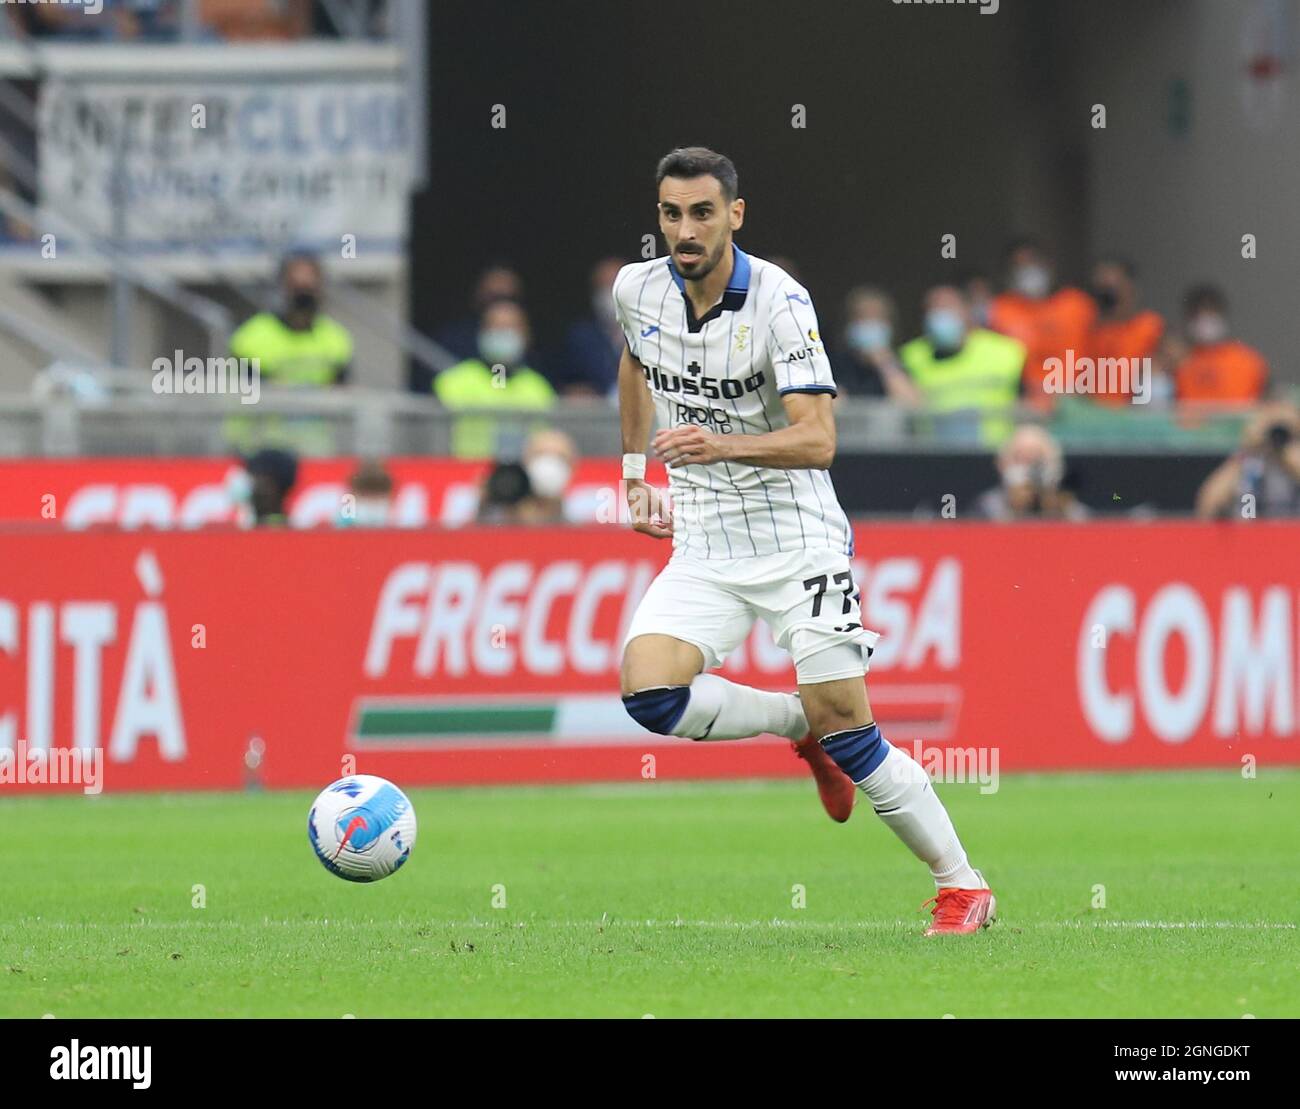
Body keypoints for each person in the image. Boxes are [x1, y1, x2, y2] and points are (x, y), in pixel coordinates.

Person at [614, 146, 994, 936]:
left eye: (702, 213)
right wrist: (630, 471)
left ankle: (963, 886)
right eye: (671, 214)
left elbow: (819, 438)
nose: (685, 230)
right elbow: (634, 361)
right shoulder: (637, 289)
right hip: (708, 540)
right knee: (649, 692)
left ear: (734, 215)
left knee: (852, 731)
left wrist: (718, 447)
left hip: (799, 541)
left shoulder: (781, 302)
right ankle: (795, 724)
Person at [898, 284, 1026, 446]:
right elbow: (905, 408)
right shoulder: (911, 356)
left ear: (966, 311)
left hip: (996, 451)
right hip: (934, 455)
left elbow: (1028, 405)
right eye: (934, 309)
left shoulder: (1007, 352)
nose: (941, 315)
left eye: (948, 307)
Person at [433, 298, 556, 458]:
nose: (503, 334)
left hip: (520, 475)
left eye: (510, 328)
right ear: (482, 333)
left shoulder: (539, 387)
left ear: (526, 335)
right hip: (465, 473)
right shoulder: (452, 381)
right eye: (496, 327)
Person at [988, 237, 1095, 405]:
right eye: (1018, 267)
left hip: (1077, 399)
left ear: (1047, 265)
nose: (1027, 271)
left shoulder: (1077, 303)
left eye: (1032, 263)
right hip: (1025, 403)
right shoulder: (1000, 309)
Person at [229, 251, 353, 387]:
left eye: (309, 288)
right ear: (282, 287)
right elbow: (247, 397)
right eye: (297, 287)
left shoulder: (336, 338)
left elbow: (342, 394)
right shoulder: (250, 338)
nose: (303, 298)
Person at [1195, 402, 1300, 519]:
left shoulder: (1295, 458)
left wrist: (1289, 451)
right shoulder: (1246, 460)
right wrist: (1248, 450)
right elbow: (1208, 508)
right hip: (1249, 534)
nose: (1276, 436)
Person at [1084, 257, 1166, 405]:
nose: (1107, 298)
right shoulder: (1089, 331)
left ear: (1130, 288)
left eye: (1112, 290)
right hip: (1095, 415)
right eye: (1101, 291)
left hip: (1133, 416)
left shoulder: (1150, 326)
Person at [1172, 284, 1270, 406]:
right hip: (1191, 425)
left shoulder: (1249, 360)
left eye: (1211, 312)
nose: (1205, 319)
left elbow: (1267, 401)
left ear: (1222, 316)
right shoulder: (1177, 362)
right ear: (1189, 319)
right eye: (1198, 314)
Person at [973, 424, 1089, 521]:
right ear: (1003, 464)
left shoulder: (1069, 507)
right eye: (1021, 459)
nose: (1029, 468)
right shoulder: (987, 506)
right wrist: (1015, 508)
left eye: (1037, 458)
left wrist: (1057, 510)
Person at [832, 286, 921, 402]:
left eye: (876, 317)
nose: (870, 324)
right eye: (863, 317)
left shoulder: (904, 360)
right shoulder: (837, 364)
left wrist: (885, 364)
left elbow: (913, 403)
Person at [557, 257, 627, 399]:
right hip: (595, 418)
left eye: (616, 285)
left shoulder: (652, 334)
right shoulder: (579, 339)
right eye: (604, 287)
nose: (611, 294)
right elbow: (565, 386)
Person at [518, 428, 578, 525]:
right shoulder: (502, 515)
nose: (549, 464)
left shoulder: (582, 516)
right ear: (525, 462)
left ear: (572, 467)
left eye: (559, 457)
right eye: (540, 455)